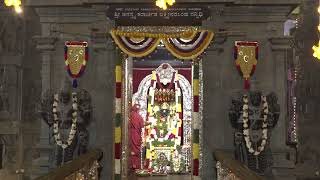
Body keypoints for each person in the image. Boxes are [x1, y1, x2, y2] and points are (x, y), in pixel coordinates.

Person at [129, 104, 144, 171]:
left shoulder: (130, 115)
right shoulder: (139, 116)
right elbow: (142, 124)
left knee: (132, 148)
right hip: (136, 134)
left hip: (130, 134)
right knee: (136, 149)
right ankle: (136, 165)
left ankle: (132, 164)